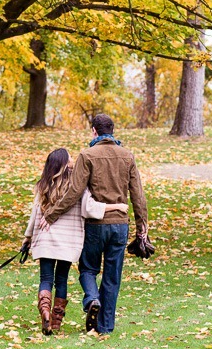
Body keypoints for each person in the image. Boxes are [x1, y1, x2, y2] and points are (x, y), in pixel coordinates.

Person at [41, 114, 148, 335]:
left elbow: (74, 191)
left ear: (94, 131)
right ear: (113, 131)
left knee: (88, 269)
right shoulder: (127, 156)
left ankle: (91, 299)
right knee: (112, 276)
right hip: (120, 225)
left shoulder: (87, 155)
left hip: (95, 225)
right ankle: (105, 327)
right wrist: (142, 230)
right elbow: (138, 195)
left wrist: (51, 214)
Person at [23, 147, 128, 335]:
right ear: (64, 163)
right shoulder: (77, 184)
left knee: (45, 279)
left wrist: (27, 238)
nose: (73, 160)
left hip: (45, 240)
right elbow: (90, 208)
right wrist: (117, 206)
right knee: (61, 280)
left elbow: (34, 215)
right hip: (68, 243)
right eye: (70, 158)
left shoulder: (43, 185)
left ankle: (45, 312)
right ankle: (55, 323)